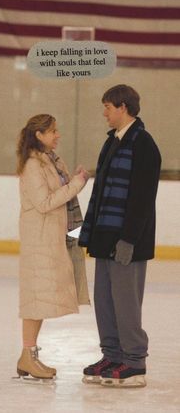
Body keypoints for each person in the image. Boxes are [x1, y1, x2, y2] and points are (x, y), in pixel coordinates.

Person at [79, 84, 161, 388]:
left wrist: (129, 239)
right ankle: (113, 354)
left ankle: (134, 362)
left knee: (126, 301)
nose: (104, 113)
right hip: (105, 236)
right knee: (105, 300)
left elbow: (142, 198)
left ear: (123, 107)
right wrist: (91, 234)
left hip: (127, 240)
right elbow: (101, 193)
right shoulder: (112, 142)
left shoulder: (144, 144)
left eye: (107, 107)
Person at [16, 114, 90, 382]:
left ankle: (29, 355)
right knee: (35, 300)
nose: (57, 135)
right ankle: (28, 355)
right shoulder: (33, 165)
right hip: (40, 240)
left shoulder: (51, 161)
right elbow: (45, 202)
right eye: (52, 131)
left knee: (40, 299)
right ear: (38, 135)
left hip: (52, 237)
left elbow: (61, 194)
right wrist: (77, 183)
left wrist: (73, 180)